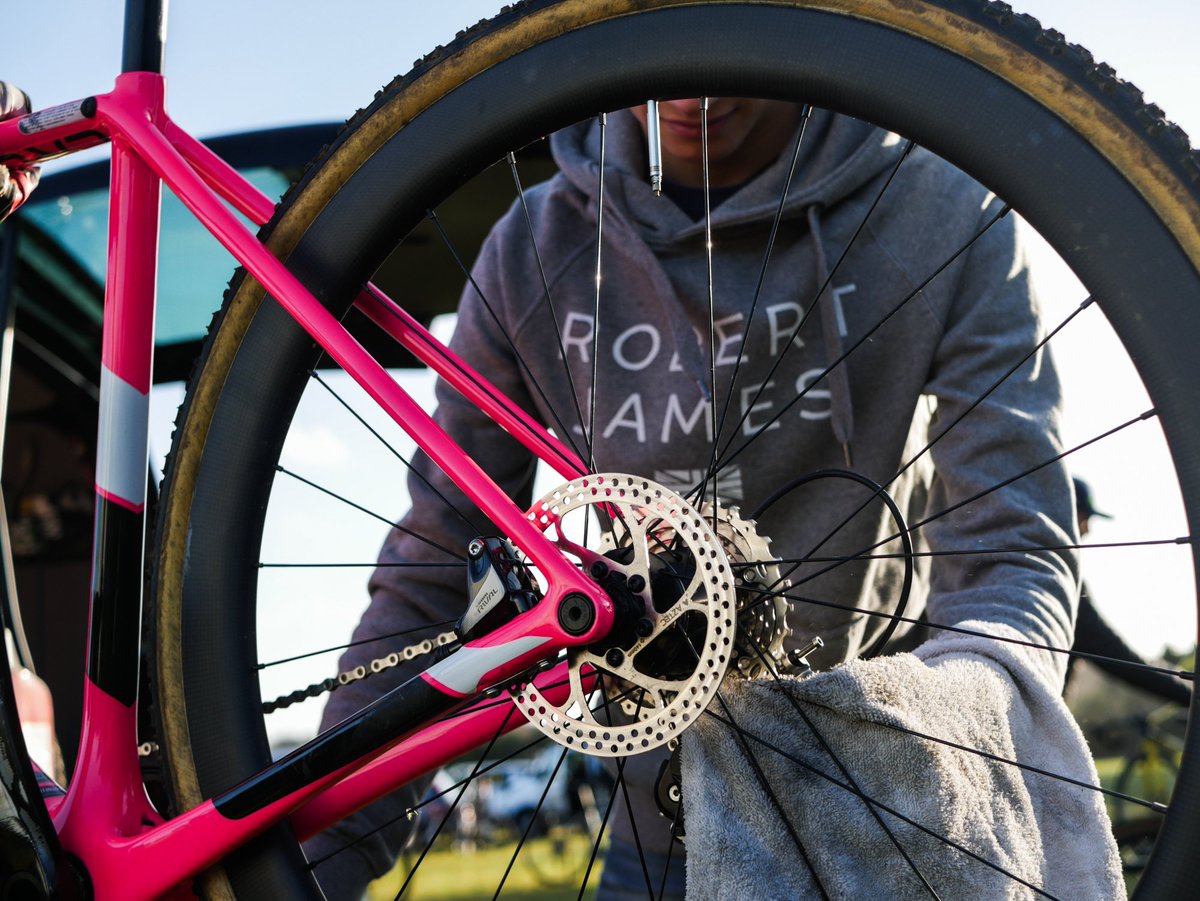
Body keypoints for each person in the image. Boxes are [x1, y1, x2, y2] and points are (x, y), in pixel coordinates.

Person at [308, 97, 1118, 898]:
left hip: (896, 818)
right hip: (657, 829)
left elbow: (1013, 549)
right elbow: (438, 572)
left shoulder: (940, 209)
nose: (693, 99)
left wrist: (954, 765)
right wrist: (312, 855)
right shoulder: (532, 248)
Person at [1069, 476, 1191, 705]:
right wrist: (1191, 696)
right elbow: (1121, 659)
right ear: (1064, 511)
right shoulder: (1059, 583)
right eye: (1084, 518)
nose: (1087, 530)